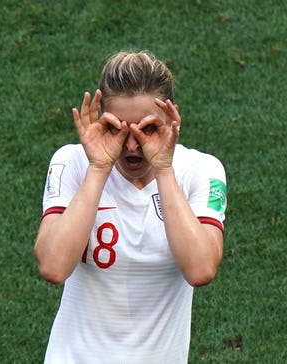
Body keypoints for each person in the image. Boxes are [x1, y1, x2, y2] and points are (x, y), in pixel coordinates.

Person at [34, 50, 228, 363]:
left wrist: (164, 168)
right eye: (118, 128)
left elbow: (201, 269)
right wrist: (98, 168)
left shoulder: (200, 171)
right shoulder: (72, 162)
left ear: (171, 119)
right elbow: (53, 267)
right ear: (100, 120)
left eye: (147, 129)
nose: (133, 145)